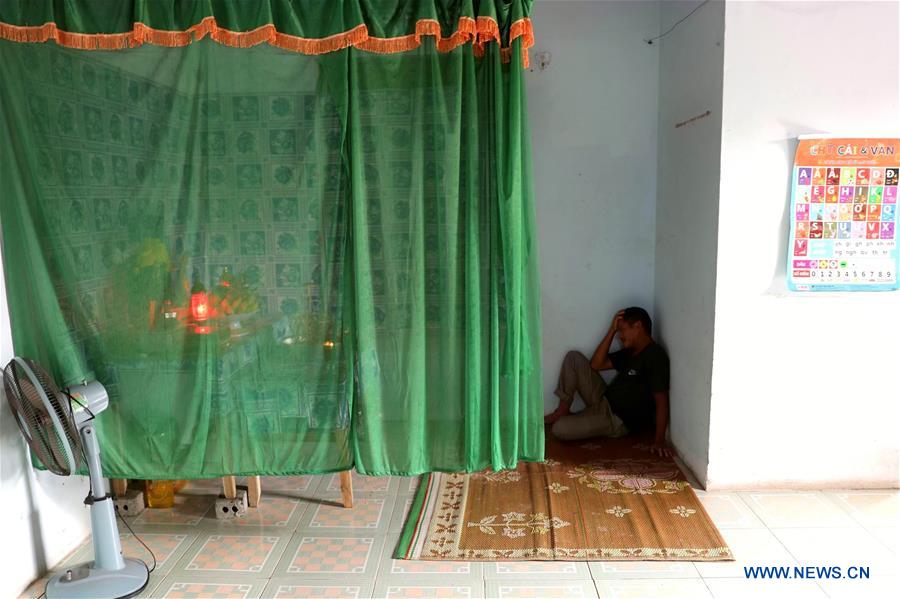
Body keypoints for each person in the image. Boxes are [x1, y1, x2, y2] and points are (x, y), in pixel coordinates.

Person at [544, 307, 673, 458]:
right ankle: (562, 410)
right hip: (604, 399)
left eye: (622, 330)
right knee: (574, 358)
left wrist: (659, 441)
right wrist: (611, 330)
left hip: (616, 419)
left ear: (637, 326)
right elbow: (596, 365)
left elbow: (662, 401)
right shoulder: (631, 351)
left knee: (559, 429)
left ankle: (578, 419)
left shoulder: (655, 355)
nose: (620, 336)